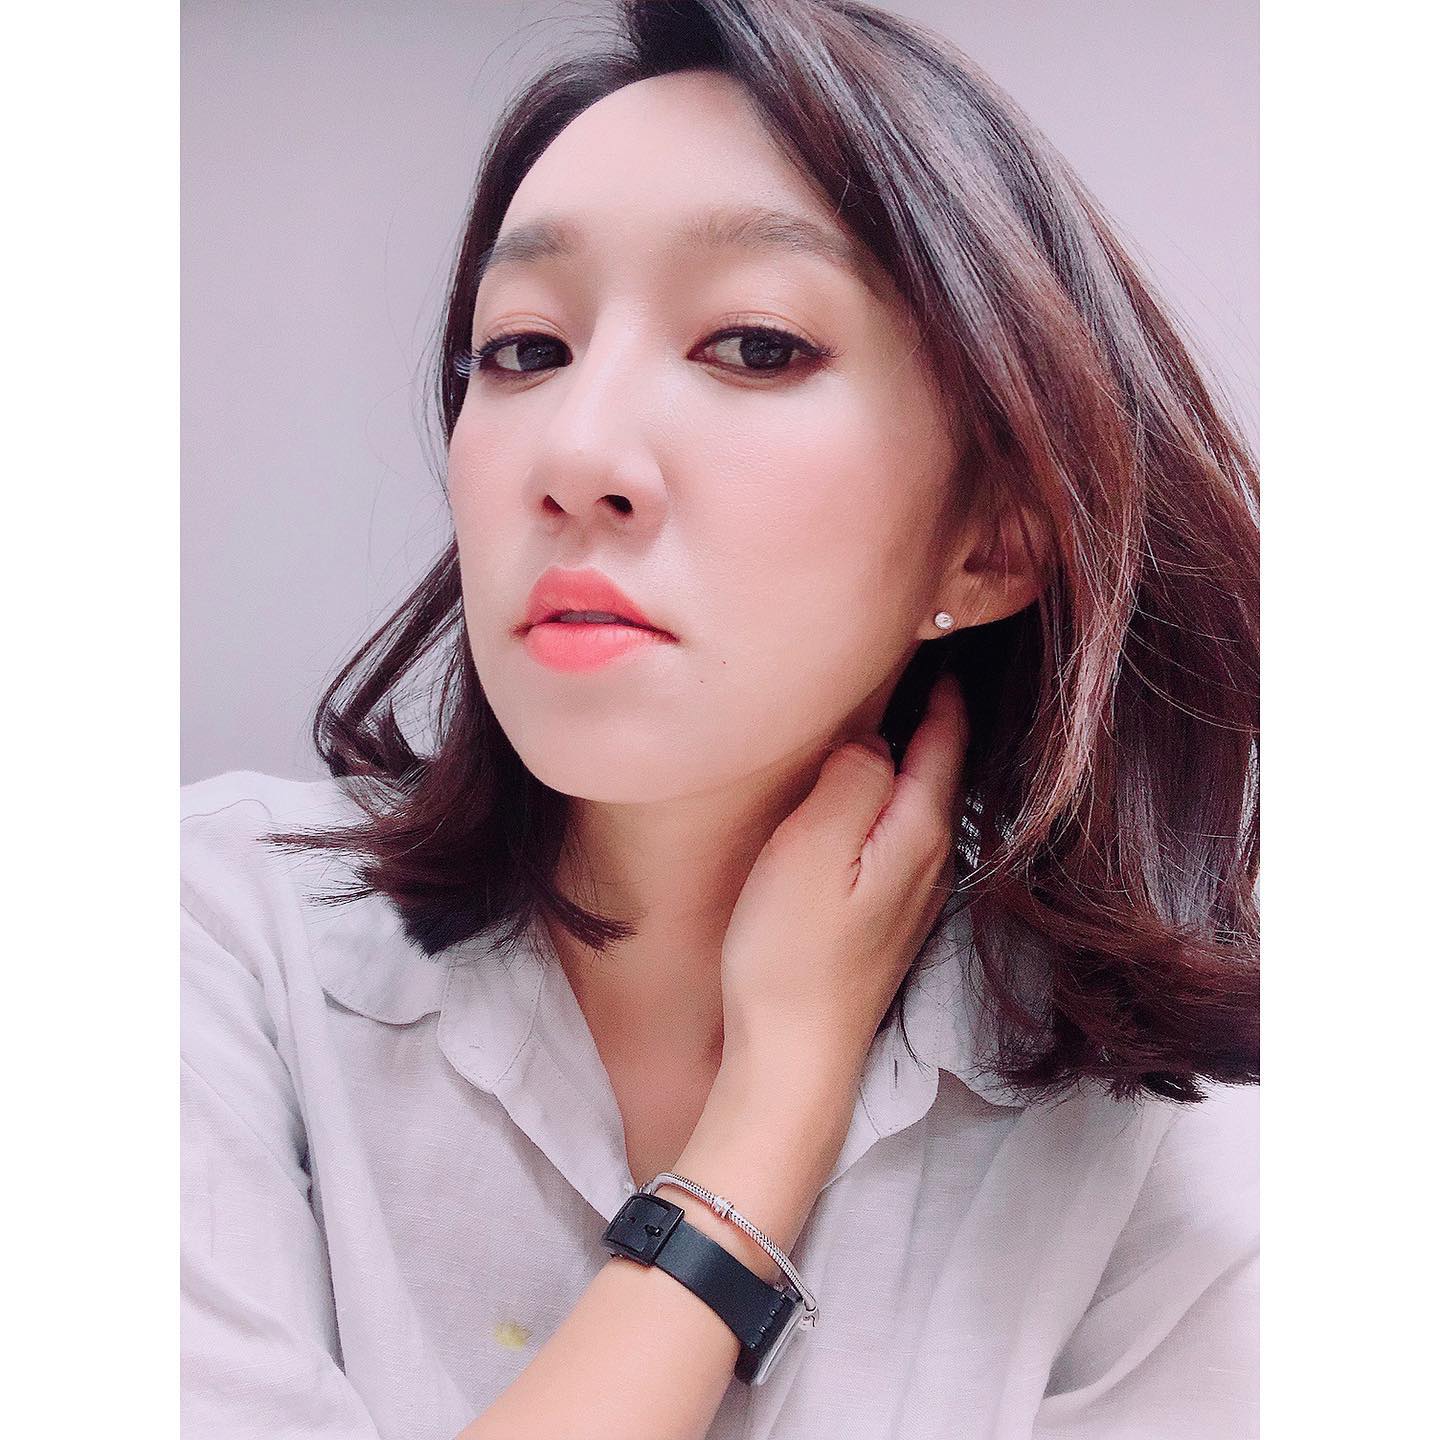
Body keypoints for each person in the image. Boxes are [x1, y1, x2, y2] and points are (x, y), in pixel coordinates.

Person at [180, 1, 1259, 1436]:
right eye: (524, 349)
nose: (576, 452)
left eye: (753, 345)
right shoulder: (205, 940)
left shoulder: (1164, 1148)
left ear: (991, 541)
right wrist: (770, 1115)